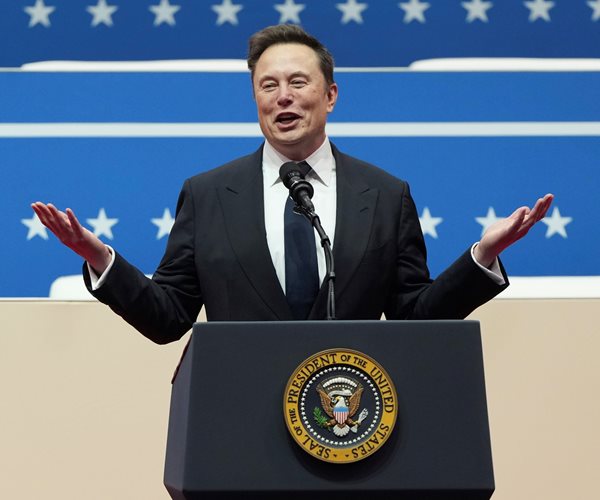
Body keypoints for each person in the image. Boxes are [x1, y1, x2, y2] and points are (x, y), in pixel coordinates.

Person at [31, 25, 553, 345]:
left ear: (330, 96)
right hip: (237, 424)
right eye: (268, 85)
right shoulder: (208, 194)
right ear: (255, 99)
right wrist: (102, 260)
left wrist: (481, 258)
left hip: (351, 419)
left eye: (298, 83)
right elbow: (168, 318)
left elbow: (414, 316)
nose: (283, 97)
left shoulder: (385, 195)